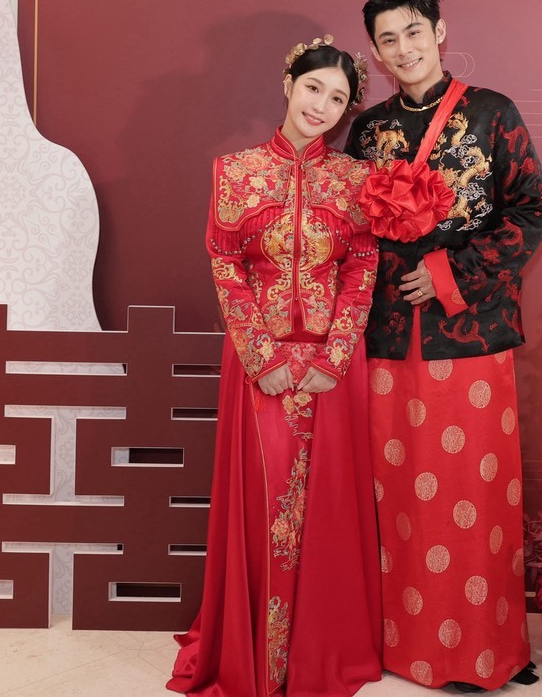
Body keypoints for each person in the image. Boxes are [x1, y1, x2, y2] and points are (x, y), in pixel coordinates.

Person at [347, 0, 542, 693]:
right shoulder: (367, 130)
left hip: (471, 333)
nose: (404, 49)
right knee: (400, 497)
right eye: (388, 39)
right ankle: (402, 644)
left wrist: (446, 274)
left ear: (439, 31)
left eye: (413, 31)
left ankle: (486, 650)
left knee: (473, 495)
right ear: (376, 53)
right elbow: (350, 234)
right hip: (387, 336)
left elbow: (532, 212)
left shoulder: (491, 112)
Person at [170, 38, 383, 697]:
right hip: (259, 364)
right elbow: (225, 264)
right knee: (265, 508)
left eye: (337, 99)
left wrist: (335, 357)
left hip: (330, 368)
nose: (321, 105)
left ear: (346, 112)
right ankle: (255, 650)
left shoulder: (355, 180)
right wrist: (261, 357)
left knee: (325, 510)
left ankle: (318, 650)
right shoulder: (234, 172)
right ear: (289, 83)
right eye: (313, 87)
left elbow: (362, 268)